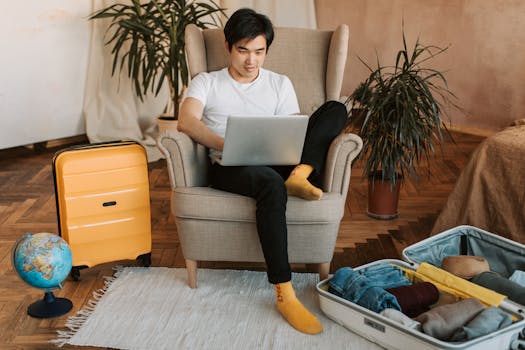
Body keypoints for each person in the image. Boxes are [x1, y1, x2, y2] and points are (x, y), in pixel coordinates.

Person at [178, 8, 347, 335]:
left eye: (259, 51)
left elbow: (293, 130)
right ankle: (284, 291)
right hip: (229, 166)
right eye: (243, 50)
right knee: (271, 184)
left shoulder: (279, 83)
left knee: (336, 109)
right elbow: (186, 121)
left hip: (277, 160)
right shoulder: (208, 82)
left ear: (266, 50)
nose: (251, 60)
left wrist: (291, 151)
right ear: (228, 47)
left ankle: (300, 174)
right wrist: (227, 144)